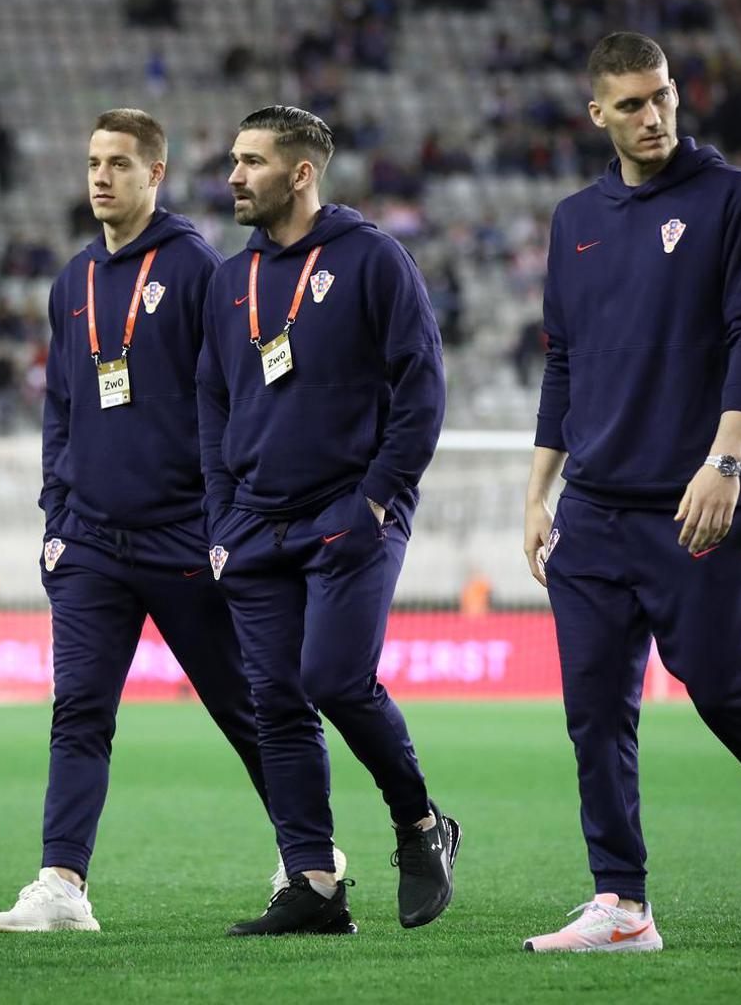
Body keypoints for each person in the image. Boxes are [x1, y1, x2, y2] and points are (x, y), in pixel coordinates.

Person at [521, 32, 741, 953]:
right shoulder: (573, 219)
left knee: (718, 688)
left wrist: (725, 463)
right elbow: (564, 363)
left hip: (697, 495)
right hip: (591, 505)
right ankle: (622, 904)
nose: (652, 114)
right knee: (594, 709)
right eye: (630, 103)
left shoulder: (733, 198)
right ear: (598, 114)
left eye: (663, 95)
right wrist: (537, 491)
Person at [0, 109, 284, 934]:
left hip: (184, 535)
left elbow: (232, 396)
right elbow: (62, 409)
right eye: (92, 162)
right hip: (89, 543)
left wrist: (226, 517)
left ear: (156, 173)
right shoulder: (70, 281)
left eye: (120, 163)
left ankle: (311, 860)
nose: (101, 176)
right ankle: (62, 883)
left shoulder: (196, 268)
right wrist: (56, 513)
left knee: (248, 706)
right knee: (79, 709)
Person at [197, 106, 459, 936]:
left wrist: (376, 498)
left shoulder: (372, 258)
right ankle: (312, 883)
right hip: (254, 526)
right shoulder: (229, 280)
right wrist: (219, 517)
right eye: (233, 161)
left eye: (252, 162)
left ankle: (420, 825)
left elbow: (422, 387)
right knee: (275, 702)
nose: (234, 176)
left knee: (334, 680)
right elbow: (211, 398)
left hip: (349, 514)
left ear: (301, 173)